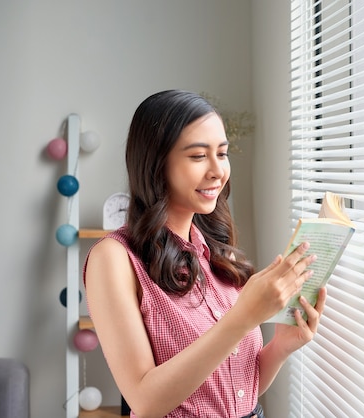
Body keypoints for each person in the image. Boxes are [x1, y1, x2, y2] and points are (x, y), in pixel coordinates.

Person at [83, 89, 326, 418]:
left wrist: (281, 347)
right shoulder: (114, 258)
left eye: (222, 154)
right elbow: (144, 400)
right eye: (198, 156)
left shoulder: (220, 254)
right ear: (156, 164)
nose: (217, 171)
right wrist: (241, 319)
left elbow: (237, 394)